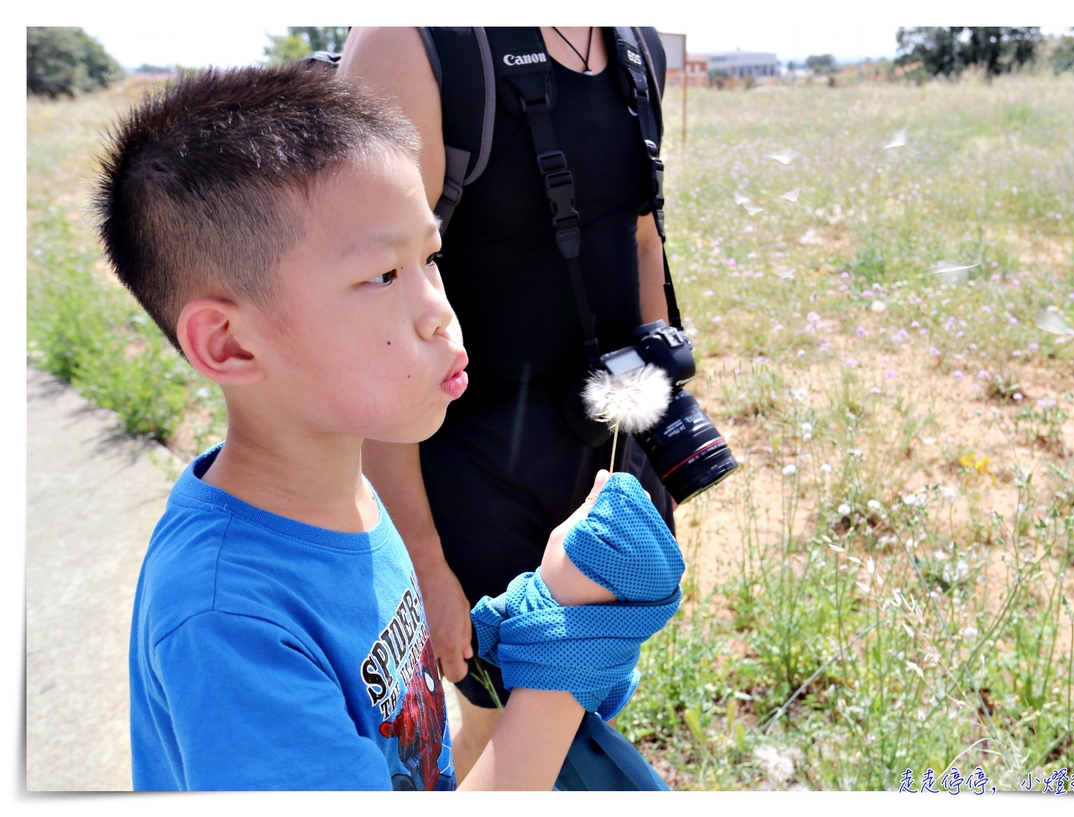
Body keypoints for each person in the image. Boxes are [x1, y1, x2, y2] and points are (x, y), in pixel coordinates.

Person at [99, 62, 670, 790]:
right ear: (230, 344)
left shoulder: (345, 487)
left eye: (430, 257)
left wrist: (530, 616)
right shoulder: (227, 622)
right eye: (382, 276)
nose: (439, 308)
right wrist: (565, 651)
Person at [338, 27, 676, 775]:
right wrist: (421, 560)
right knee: (503, 719)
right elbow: (369, 304)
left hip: (600, 457)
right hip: (467, 480)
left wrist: (660, 424)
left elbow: (643, 234)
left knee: (582, 699)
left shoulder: (637, 43)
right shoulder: (414, 42)